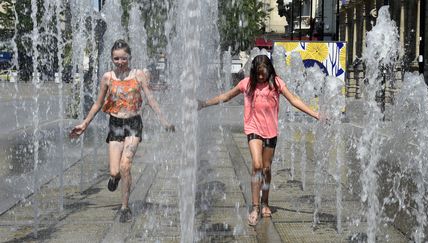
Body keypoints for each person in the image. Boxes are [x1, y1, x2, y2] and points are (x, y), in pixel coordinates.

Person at [198, 54, 320, 226]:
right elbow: (226, 96)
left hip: (271, 132)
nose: (260, 77)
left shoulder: (276, 83)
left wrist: (315, 114)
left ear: (269, 70)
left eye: (263, 73)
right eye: (258, 74)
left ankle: (265, 203)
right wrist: (204, 103)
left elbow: (294, 100)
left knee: (266, 168)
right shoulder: (247, 84)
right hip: (253, 129)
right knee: (256, 165)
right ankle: (255, 208)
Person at [69, 39, 174, 223]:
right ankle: (114, 177)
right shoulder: (108, 78)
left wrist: (164, 121)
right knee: (115, 171)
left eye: (123, 58)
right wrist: (84, 124)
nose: (120, 62)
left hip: (133, 124)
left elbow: (150, 99)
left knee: (126, 166)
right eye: (116, 59)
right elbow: (98, 103)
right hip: (115, 125)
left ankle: (125, 207)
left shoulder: (139, 75)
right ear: (112, 59)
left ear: (129, 57)